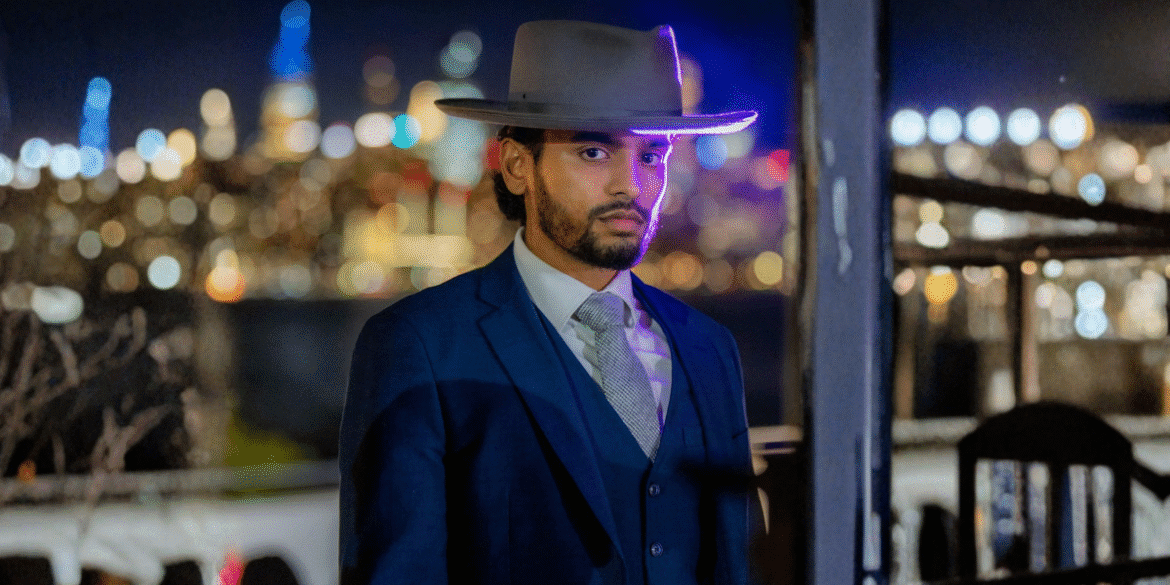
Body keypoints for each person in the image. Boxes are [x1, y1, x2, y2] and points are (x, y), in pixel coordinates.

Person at [339, 19, 760, 585]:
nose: (631, 185)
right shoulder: (420, 345)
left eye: (650, 157)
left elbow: (742, 564)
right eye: (593, 152)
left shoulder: (709, 349)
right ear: (516, 165)